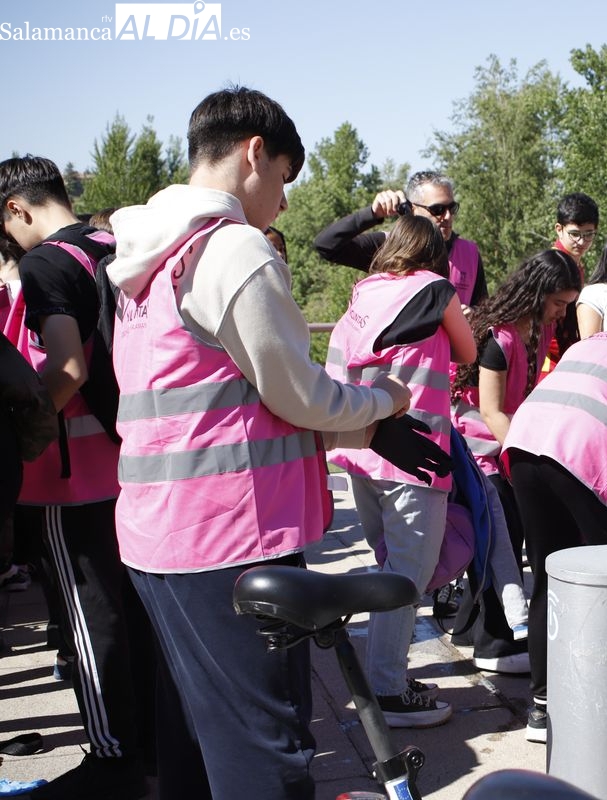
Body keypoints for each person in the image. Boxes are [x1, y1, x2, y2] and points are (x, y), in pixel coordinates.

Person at [107, 86, 414, 800]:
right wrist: (385, 400)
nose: (281, 202)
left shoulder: (144, 258)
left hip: (158, 536)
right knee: (264, 745)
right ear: (254, 154)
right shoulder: (230, 247)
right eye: (282, 179)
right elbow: (298, 392)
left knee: (193, 731)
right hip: (232, 539)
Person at [1, 154, 157, 800]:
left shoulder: (45, 265)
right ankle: (150, 744)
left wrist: (14, 430)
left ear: (16, 209)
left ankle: (113, 755)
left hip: (72, 475)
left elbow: (64, 368)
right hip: (137, 458)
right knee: (137, 613)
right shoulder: (117, 244)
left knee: (92, 621)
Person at [324, 214, 475, 728]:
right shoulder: (436, 288)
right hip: (414, 453)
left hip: (360, 450)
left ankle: (385, 677)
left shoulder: (363, 292)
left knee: (389, 568)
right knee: (405, 580)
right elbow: (467, 351)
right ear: (434, 254)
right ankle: (387, 692)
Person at [502, 328, 607, 742]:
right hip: (589, 450)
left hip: (526, 439)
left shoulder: (594, 341)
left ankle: (541, 709)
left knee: (547, 576)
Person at [450, 249, 582, 673]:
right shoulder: (498, 337)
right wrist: (521, 457)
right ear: (537, 293)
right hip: (481, 452)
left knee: (496, 538)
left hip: (504, 446)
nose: (561, 314)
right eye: (558, 303)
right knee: (500, 540)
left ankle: (469, 627)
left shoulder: (533, 331)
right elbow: (491, 410)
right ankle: (495, 644)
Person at [313, 171, 487, 309]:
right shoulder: (390, 246)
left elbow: (484, 308)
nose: (448, 216)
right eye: (438, 209)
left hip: (452, 354)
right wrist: (372, 214)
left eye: (452, 208)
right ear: (412, 210)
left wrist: (474, 314)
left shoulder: (469, 253)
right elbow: (326, 245)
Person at [551, 192, 600, 272]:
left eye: (588, 234)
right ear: (559, 230)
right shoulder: (553, 267)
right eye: (574, 234)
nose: (581, 242)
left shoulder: (574, 264)